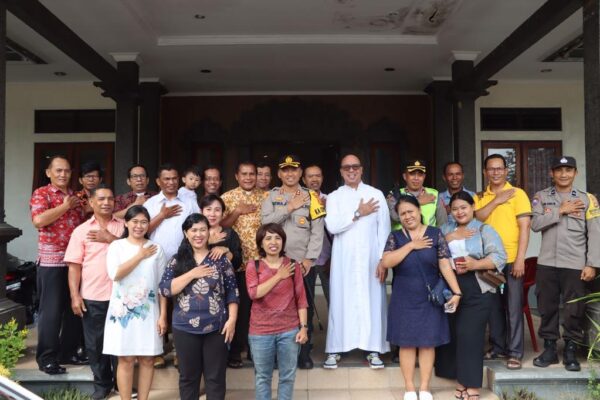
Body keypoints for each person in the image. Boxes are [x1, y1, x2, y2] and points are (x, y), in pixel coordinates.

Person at [159, 214, 239, 400]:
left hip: (217, 327)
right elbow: (164, 289)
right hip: (184, 328)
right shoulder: (177, 260)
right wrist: (192, 274)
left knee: (215, 378)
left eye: (203, 229)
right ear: (186, 233)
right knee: (188, 378)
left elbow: (232, 292)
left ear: (208, 232)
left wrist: (232, 320)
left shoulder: (220, 259)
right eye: (194, 230)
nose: (198, 234)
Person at [531, 156, 600, 372]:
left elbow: (596, 234)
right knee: (547, 306)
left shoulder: (588, 199)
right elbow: (535, 224)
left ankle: (571, 348)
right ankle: (550, 348)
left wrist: (592, 264)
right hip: (547, 263)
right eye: (559, 170)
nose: (563, 174)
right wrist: (560, 210)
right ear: (552, 173)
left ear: (575, 173)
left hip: (575, 263)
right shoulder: (541, 197)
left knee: (574, 308)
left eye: (568, 170)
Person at [436, 191, 507, 400]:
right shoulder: (443, 230)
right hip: (449, 288)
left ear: (473, 207)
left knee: (471, 335)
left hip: (477, 286)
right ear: (450, 211)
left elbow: (499, 257)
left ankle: (471, 385)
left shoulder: (484, 229)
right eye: (455, 208)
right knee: (454, 334)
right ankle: (458, 379)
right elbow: (433, 252)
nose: (459, 212)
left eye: (464, 207)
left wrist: (475, 264)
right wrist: (451, 237)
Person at [323, 154, 391, 369]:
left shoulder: (376, 194)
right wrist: (357, 213)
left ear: (361, 170)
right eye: (346, 168)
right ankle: (336, 348)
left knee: (372, 302)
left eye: (355, 167)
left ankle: (373, 349)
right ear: (341, 172)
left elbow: (385, 230)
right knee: (341, 301)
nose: (351, 171)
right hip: (344, 261)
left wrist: (383, 260)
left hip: (372, 260)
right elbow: (333, 227)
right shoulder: (334, 197)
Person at [261, 155, 324, 369]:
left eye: (294, 170)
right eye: (285, 170)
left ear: (300, 173)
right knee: (278, 309)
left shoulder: (311, 196)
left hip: (302, 264)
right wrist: (289, 207)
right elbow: (265, 223)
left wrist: (309, 258)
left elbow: (317, 231)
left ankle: (303, 354)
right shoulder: (271, 196)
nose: (290, 174)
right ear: (279, 174)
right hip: (274, 263)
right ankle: (279, 356)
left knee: (303, 307)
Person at [103, 205, 168, 400]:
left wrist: (163, 315)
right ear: (126, 223)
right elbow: (115, 274)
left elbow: (162, 286)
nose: (139, 226)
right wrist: (139, 255)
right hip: (123, 311)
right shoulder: (117, 246)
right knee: (126, 358)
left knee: (148, 359)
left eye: (144, 222)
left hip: (149, 313)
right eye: (135, 221)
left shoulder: (156, 249)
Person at [64, 187, 124, 400]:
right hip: (93, 295)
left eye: (110, 198)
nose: (106, 202)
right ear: (90, 202)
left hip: (123, 296)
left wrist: (110, 238)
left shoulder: (124, 227)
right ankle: (102, 384)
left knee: (121, 343)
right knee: (95, 343)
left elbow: (136, 252)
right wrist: (75, 295)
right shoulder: (81, 231)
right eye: (101, 198)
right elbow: (74, 266)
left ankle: (122, 383)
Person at [474, 154, 532, 370]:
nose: (495, 172)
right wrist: (497, 200)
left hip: (510, 260)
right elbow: (477, 216)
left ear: (506, 171)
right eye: (491, 169)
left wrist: (520, 259)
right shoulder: (481, 196)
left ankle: (515, 352)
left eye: (499, 168)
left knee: (513, 306)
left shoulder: (518, 194)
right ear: (485, 172)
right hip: (489, 261)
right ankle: (498, 347)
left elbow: (525, 227)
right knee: (492, 307)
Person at [30, 155, 86, 374]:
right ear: (48, 173)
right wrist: (65, 207)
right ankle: (47, 358)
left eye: (67, 171)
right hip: (51, 262)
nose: (63, 174)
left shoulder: (75, 195)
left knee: (75, 310)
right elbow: (38, 221)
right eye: (59, 170)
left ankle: (67, 352)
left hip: (75, 260)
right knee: (51, 312)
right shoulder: (41, 194)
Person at [144, 163, 200, 368]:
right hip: (155, 261)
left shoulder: (189, 202)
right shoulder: (150, 203)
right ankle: (157, 350)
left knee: (181, 305)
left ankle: (179, 351)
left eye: (174, 178)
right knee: (156, 306)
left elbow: (199, 227)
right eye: (166, 179)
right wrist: (161, 216)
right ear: (158, 181)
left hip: (183, 262)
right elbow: (142, 231)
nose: (171, 182)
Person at [246, 223, 308, 400]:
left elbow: (301, 299)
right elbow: (253, 293)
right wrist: (278, 276)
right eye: (268, 238)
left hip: (289, 330)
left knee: (287, 377)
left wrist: (303, 328)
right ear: (261, 243)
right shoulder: (254, 265)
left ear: (283, 241)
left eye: (277, 238)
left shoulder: (293, 265)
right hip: (260, 331)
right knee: (263, 377)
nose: (273, 242)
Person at [221, 161, 264, 362]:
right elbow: (219, 226)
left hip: (260, 263)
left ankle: (256, 350)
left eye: (252, 174)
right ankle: (235, 350)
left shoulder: (266, 197)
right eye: (244, 174)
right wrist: (236, 212)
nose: (248, 177)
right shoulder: (227, 198)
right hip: (236, 263)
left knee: (258, 308)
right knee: (237, 306)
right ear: (236, 176)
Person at [199, 194, 244, 368]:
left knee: (228, 320)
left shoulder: (230, 234)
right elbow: (185, 256)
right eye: (208, 209)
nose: (212, 213)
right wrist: (208, 242)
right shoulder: (194, 231)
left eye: (217, 210)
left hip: (225, 287)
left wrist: (225, 249)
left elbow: (238, 261)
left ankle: (230, 354)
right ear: (202, 211)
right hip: (200, 288)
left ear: (223, 213)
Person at [387, 160, 447, 231]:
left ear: (424, 177)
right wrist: (418, 202)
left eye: (420, 174)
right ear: (405, 176)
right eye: (412, 174)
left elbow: (442, 223)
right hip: (402, 240)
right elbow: (396, 217)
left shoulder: (433, 194)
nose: (416, 178)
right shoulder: (394, 194)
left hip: (429, 239)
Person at [302, 165, 332, 305]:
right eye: (310, 176)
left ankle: (336, 327)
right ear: (303, 179)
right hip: (306, 259)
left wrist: (334, 257)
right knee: (306, 303)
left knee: (333, 300)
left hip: (327, 258)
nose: (314, 179)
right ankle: (308, 327)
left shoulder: (331, 200)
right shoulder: (298, 202)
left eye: (318, 175)